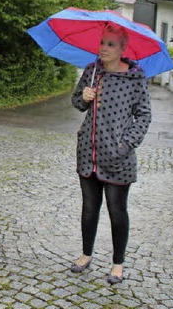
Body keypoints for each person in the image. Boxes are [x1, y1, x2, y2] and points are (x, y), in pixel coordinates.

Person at [69, 24, 152, 284]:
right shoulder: (92, 71)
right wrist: (84, 96)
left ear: (122, 49)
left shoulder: (135, 77)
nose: (103, 48)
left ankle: (118, 263)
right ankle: (86, 254)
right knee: (89, 209)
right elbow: (77, 103)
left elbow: (144, 115)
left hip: (118, 158)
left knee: (117, 211)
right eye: (102, 42)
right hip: (88, 153)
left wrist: (124, 145)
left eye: (111, 44)